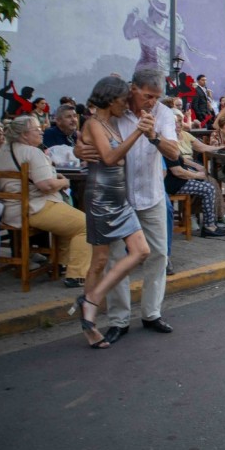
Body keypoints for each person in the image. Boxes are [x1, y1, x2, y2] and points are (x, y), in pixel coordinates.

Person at [77, 69, 181, 344]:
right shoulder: (116, 108)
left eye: (156, 97)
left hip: (151, 194)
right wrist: (80, 148)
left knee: (157, 254)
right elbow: (90, 133)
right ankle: (119, 320)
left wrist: (154, 136)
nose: (151, 102)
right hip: (116, 198)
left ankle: (151, 313)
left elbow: (175, 153)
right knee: (115, 258)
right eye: (147, 95)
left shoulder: (163, 114)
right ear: (133, 89)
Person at [74, 76, 152, 349]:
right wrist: (138, 132)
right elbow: (109, 158)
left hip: (119, 199)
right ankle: (89, 321)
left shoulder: (111, 122)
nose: (125, 104)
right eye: (122, 100)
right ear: (110, 99)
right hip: (100, 198)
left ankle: (91, 299)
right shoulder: (94, 123)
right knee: (99, 260)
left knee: (141, 251)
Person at [0, 116, 90, 288]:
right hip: (36, 208)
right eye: (37, 130)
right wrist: (64, 182)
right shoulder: (32, 152)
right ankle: (77, 274)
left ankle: (61, 264)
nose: (42, 132)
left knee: (69, 221)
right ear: (24, 135)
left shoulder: (2, 151)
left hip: (10, 210)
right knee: (86, 225)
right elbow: (46, 185)